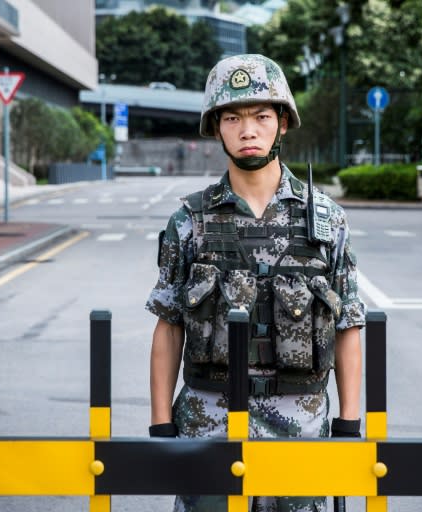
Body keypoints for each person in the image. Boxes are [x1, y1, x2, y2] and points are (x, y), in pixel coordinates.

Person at [145, 54, 367, 512]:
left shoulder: (325, 221)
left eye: (261, 116)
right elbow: (169, 324)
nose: (248, 130)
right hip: (208, 420)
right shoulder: (189, 222)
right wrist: (162, 425)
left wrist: (347, 423)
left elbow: (347, 323)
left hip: (300, 424)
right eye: (233, 117)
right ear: (217, 128)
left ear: (282, 123)